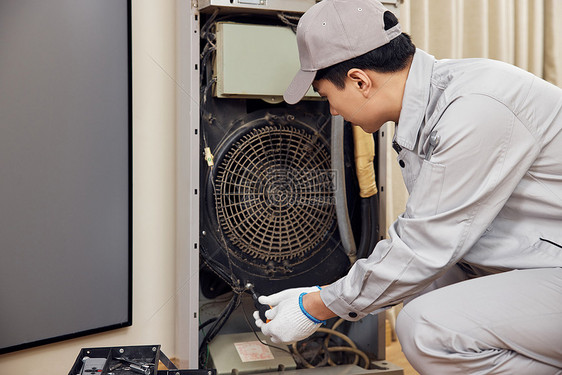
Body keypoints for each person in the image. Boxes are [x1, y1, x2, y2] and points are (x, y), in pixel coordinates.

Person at [252, 0, 562, 374]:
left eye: (325, 95)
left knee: (426, 328)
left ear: (359, 81)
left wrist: (318, 306)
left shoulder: (474, 109)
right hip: (542, 260)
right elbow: (426, 244)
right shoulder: (436, 101)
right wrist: (328, 297)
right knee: (428, 287)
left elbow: (423, 245)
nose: (332, 110)